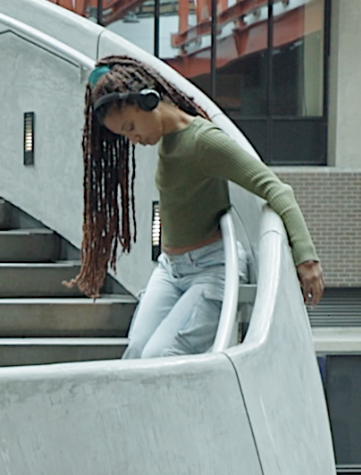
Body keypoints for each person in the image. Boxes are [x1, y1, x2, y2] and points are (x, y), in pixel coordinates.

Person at [76, 57, 324, 357]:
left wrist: (306, 259)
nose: (133, 138)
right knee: (136, 352)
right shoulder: (166, 139)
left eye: (130, 127)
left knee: (159, 357)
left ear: (148, 99)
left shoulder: (202, 141)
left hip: (211, 270)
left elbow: (275, 188)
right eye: (124, 135)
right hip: (171, 269)